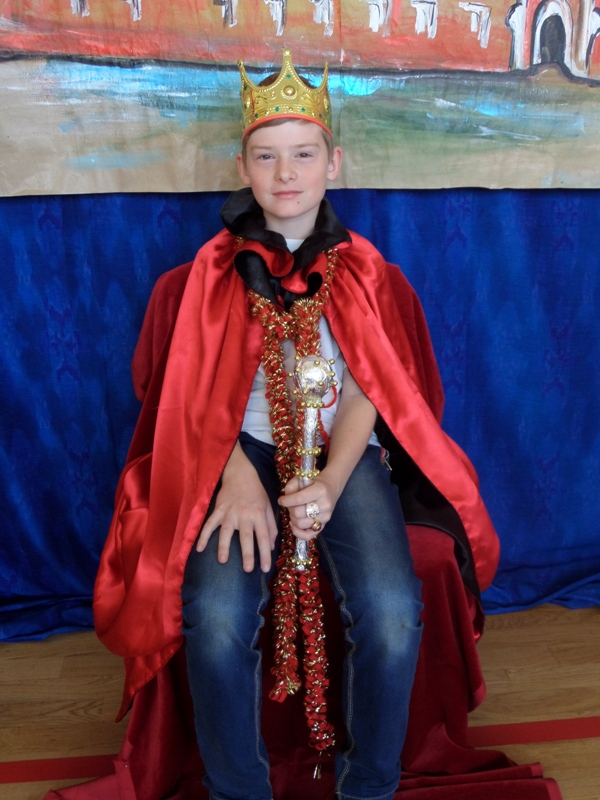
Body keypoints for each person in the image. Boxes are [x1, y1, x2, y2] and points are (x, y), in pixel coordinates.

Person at [93, 49, 499, 800]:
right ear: (242, 167)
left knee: (391, 611)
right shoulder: (207, 275)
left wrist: (333, 481)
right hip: (235, 452)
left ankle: (368, 785)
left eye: (304, 154)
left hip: (341, 451)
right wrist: (236, 480)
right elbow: (186, 398)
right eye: (267, 157)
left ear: (332, 164)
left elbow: (374, 387)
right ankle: (238, 790)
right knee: (215, 618)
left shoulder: (367, 271)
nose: (286, 173)